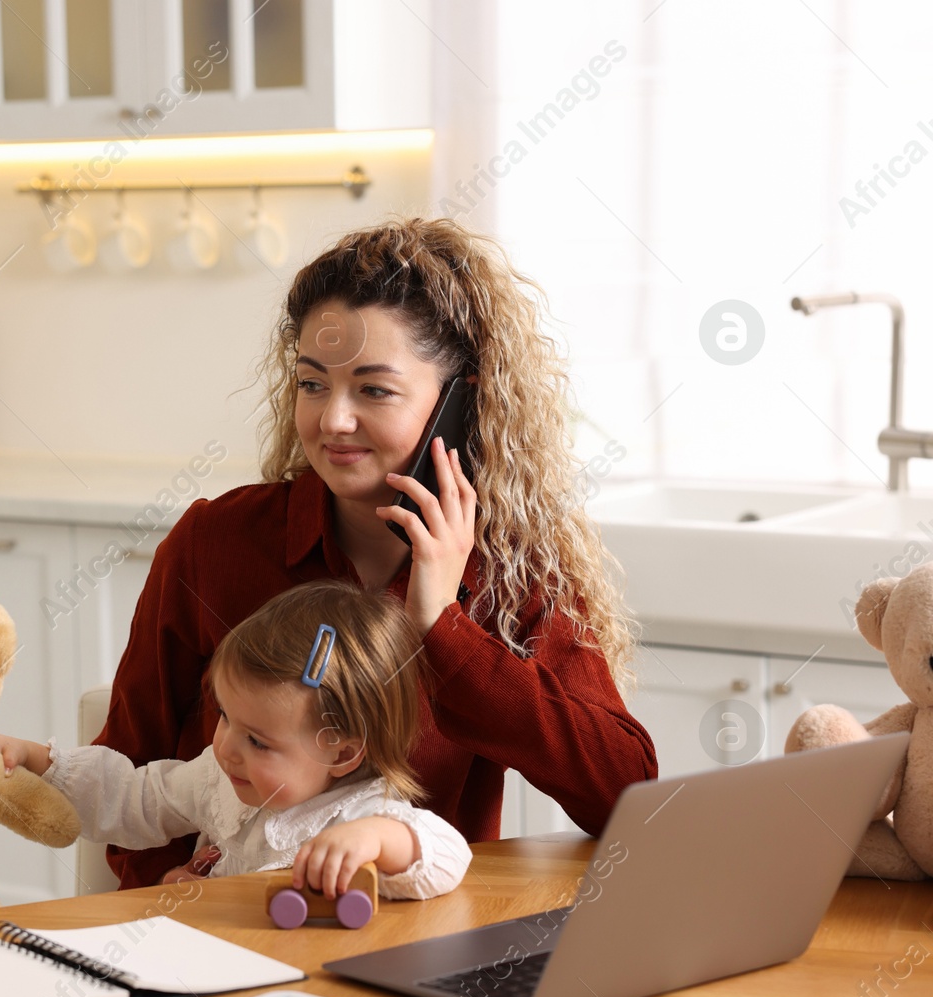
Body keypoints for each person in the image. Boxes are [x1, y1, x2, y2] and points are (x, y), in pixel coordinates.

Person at [99, 216, 658, 889]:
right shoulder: (212, 543)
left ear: (459, 404)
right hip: (222, 941)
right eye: (312, 383)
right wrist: (169, 906)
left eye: (374, 389)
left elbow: (625, 791)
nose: (332, 419)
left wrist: (443, 627)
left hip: (420, 946)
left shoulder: (507, 575)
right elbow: (128, 777)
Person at [0, 580, 472, 901]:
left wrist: (379, 841)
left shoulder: (363, 814)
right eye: (224, 717)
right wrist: (40, 761)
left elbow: (451, 858)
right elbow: (132, 797)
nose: (226, 748)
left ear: (341, 751)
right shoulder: (219, 780)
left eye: (258, 741)